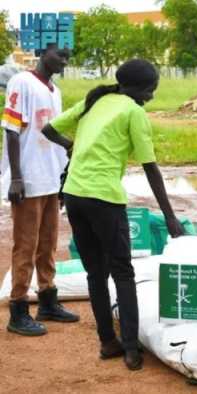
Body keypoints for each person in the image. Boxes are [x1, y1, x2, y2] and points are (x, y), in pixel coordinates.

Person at [41, 59, 184, 371]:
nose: (151, 96)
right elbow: (150, 168)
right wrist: (170, 217)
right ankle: (131, 349)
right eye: (151, 90)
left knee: (95, 273)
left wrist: (73, 148)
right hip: (104, 198)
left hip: (75, 195)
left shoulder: (94, 100)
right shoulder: (134, 111)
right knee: (123, 272)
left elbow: (49, 129)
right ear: (137, 88)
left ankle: (108, 342)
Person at [1, 43, 79, 337]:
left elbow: (50, 130)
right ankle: (18, 310)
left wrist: (64, 170)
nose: (64, 61)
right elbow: (10, 128)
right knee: (26, 245)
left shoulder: (54, 91)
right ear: (42, 53)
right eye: (60, 55)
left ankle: (48, 300)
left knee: (48, 243)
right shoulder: (21, 81)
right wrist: (16, 177)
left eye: (68, 58)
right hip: (29, 177)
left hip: (50, 177)